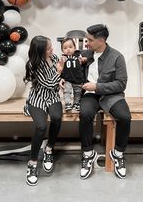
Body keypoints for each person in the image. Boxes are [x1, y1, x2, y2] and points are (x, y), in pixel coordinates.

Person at [79, 24, 131, 180]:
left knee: (125, 117)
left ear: (101, 40)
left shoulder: (117, 57)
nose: (86, 42)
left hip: (111, 95)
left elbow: (121, 84)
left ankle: (118, 153)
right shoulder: (84, 54)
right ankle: (88, 154)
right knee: (85, 114)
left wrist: (97, 86)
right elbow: (71, 72)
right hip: (90, 94)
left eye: (90, 40)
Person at [23, 35, 64, 186]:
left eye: (51, 46)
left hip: (53, 96)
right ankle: (32, 162)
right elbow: (47, 83)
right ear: (40, 51)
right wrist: (58, 73)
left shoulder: (53, 57)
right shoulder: (33, 65)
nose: (52, 49)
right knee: (41, 126)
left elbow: (55, 84)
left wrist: (61, 79)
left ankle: (49, 149)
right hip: (37, 97)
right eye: (48, 48)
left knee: (57, 118)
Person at [60, 37, 85, 111]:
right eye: (65, 48)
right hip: (67, 78)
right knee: (67, 91)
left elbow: (82, 62)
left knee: (78, 92)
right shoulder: (63, 58)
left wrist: (82, 60)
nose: (68, 49)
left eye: (70, 47)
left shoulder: (78, 55)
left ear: (75, 48)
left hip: (78, 78)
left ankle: (76, 103)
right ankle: (68, 103)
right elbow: (60, 68)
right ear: (62, 50)